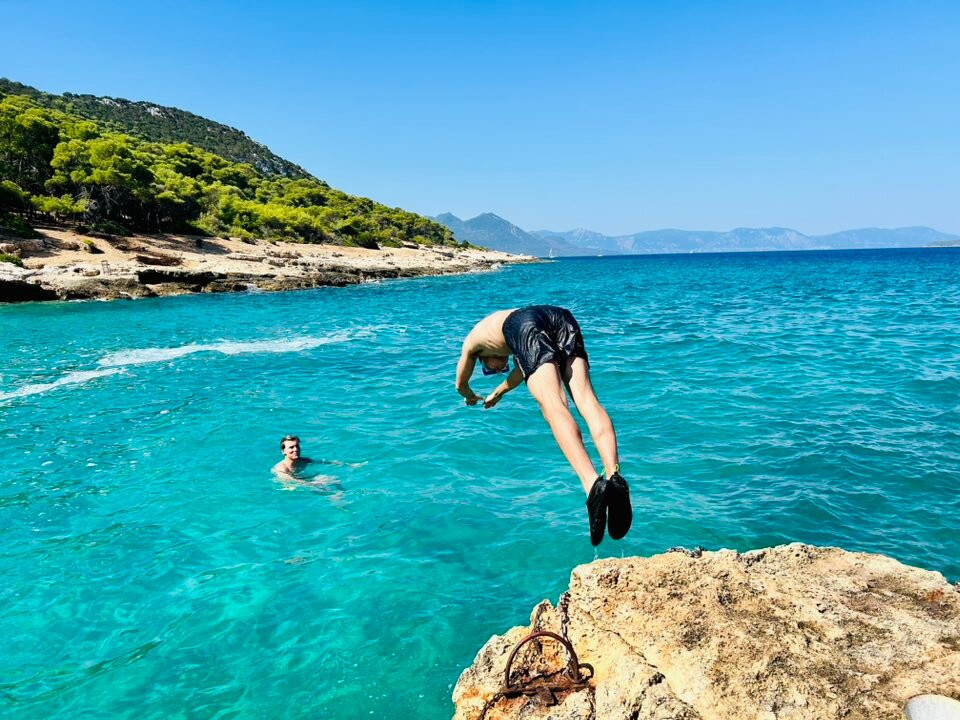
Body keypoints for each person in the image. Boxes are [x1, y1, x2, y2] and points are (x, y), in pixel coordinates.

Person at [455, 305, 631, 545]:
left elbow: (460, 384)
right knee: (587, 399)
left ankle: (592, 484)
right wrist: (501, 390)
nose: (496, 369)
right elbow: (525, 364)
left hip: (524, 324)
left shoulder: (472, 343)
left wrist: (468, 396)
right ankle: (614, 475)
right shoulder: (501, 334)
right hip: (560, 316)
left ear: (482, 359)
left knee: (554, 406)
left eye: (490, 369)